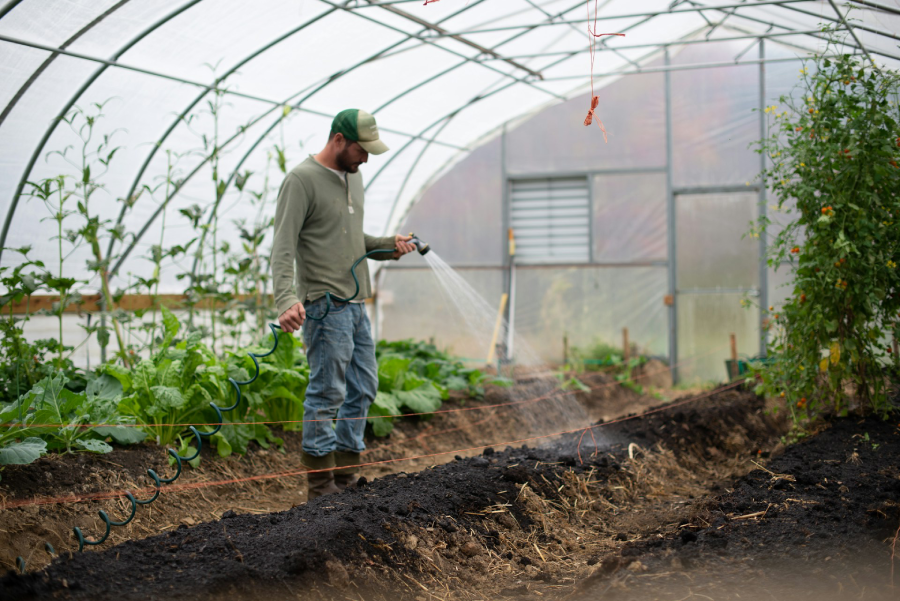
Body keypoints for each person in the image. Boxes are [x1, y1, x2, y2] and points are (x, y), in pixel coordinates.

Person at [271, 108, 416, 500]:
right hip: (324, 305)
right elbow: (283, 247)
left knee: (364, 385)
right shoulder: (301, 181)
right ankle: (321, 487)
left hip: (355, 305)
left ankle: (346, 479)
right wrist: (286, 298)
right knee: (326, 392)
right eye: (361, 150)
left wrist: (390, 246)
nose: (366, 157)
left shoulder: (355, 178)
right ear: (339, 140)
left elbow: (353, 241)